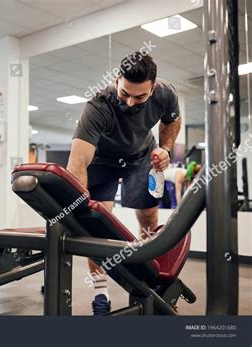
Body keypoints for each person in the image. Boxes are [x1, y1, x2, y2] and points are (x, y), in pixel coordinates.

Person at [67, 52, 182, 315]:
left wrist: (165, 149)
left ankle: (148, 284)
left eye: (139, 97)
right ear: (117, 80)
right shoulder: (98, 106)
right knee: (98, 225)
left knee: (149, 222)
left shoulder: (165, 94)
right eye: (124, 94)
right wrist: (80, 209)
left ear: (152, 88)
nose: (130, 102)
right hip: (102, 162)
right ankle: (100, 293)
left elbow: (172, 119)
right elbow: (78, 162)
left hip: (142, 158)